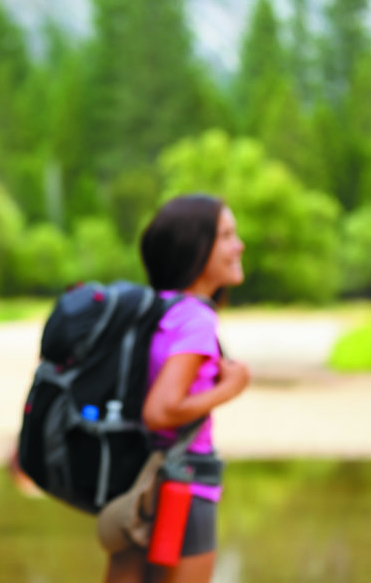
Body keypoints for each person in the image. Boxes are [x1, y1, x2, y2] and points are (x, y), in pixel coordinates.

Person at [103, 194, 251, 583]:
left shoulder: (156, 308)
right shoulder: (197, 319)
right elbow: (161, 411)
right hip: (182, 488)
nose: (239, 246)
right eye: (227, 236)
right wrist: (231, 387)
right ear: (196, 247)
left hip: (136, 485)